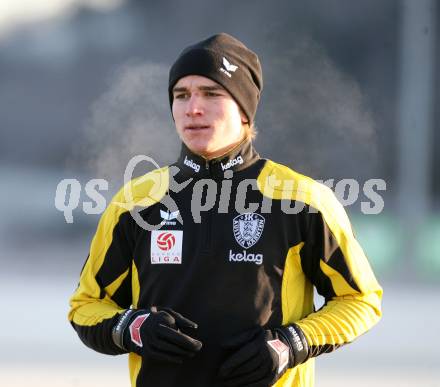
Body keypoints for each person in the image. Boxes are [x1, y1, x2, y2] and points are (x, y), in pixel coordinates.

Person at [68, 33, 382, 387]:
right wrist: (133, 328)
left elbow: (360, 300)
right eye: (181, 95)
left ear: (245, 111)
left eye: (212, 93)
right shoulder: (135, 203)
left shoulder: (304, 201)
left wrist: (290, 344)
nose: (193, 108)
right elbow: (86, 307)